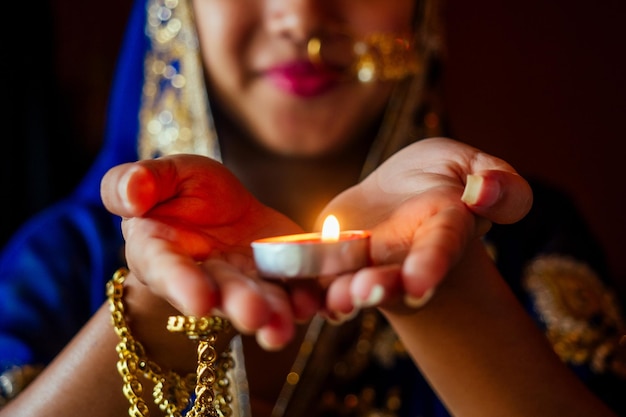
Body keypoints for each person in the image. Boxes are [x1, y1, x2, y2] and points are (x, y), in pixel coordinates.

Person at [0, 0, 624, 416]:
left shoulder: (526, 245)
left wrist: (447, 290)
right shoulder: (62, 262)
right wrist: (149, 317)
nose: (301, 17)